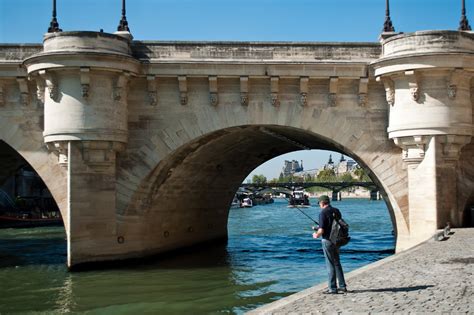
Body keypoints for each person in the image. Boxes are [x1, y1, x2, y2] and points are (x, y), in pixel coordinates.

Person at [312, 194, 347, 294]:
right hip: (337, 239)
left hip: (327, 240)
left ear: (322, 203)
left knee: (330, 264)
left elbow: (322, 230)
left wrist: (316, 234)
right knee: (337, 263)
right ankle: (342, 286)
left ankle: (332, 288)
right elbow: (334, 224)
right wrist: (319, 228)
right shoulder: (336, 210)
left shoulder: (323, 213)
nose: (319, 205)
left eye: (319, 203)